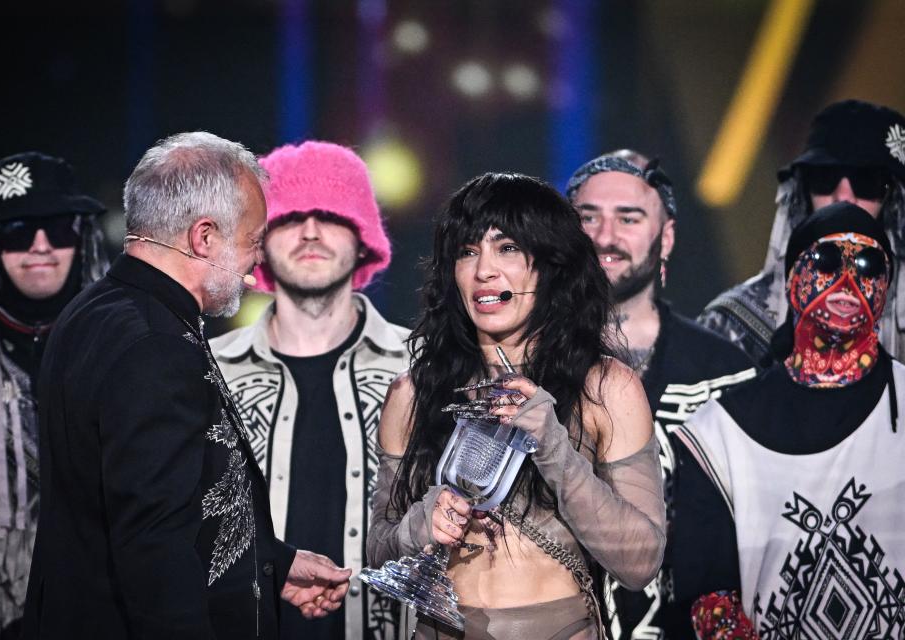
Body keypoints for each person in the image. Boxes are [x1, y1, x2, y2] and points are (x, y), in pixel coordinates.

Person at [21, 132, 351, 639]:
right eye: (251, 242)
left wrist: (270, 564)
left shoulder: (97, 312)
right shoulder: (155, 345)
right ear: (204, 237)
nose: (254, 265)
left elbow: (163, 505)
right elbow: (154, 549)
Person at [365, 172, 667, 639]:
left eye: (506, 248)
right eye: (467, 251)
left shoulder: (607, 388)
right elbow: (380, 555)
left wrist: (554, 448)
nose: (484, 269)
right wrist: (425, 522)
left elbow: (640, 563)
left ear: (550, 264)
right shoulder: (413, 394)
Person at [673, 202, 905, 638]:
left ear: (887, 286)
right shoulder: (719, 435)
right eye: (826, 260)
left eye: (869, 262)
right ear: (792, 275)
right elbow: (709, 596)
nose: (847, 276)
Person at [211, 140, 410, 640]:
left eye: (331, 214)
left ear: (364, 238)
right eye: (290, 217)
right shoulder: (207, 369)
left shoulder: (424, 367)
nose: (311, 231)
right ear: (258, 241)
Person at [566, 151, 754, 638]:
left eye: (628, 218)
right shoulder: (526, 367)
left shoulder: (727, 372)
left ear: (665, 237)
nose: (605, 237)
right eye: (588, 218)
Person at [0, 152, 109, 640]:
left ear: (82, 238)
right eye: (16, 228)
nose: (41, 246)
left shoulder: (128, 347)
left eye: (59, 227)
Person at [699, 100, 905, 364]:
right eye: (824, 177)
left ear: (895, 202)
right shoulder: (735, 325)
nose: (842, 197)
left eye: (867, 182)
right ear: (801, 192)